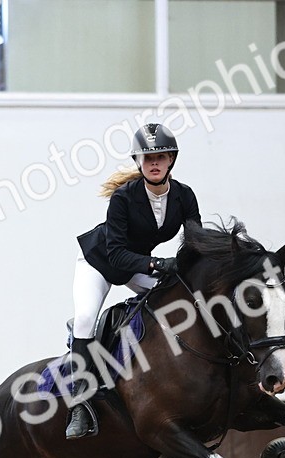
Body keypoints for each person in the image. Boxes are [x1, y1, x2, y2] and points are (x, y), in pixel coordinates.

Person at [66, 122, 202, 439]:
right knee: (85, 318)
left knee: (175, 300)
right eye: (147, 157)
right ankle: (79, 405)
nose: (154, 163)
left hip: (134, 264)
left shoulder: (184, 196)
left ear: (171, 159)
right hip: (99, 262)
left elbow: (196, 241)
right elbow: (115, 254)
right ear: (138, 162)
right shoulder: (123, 198)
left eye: (160, 157)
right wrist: (156, 263)